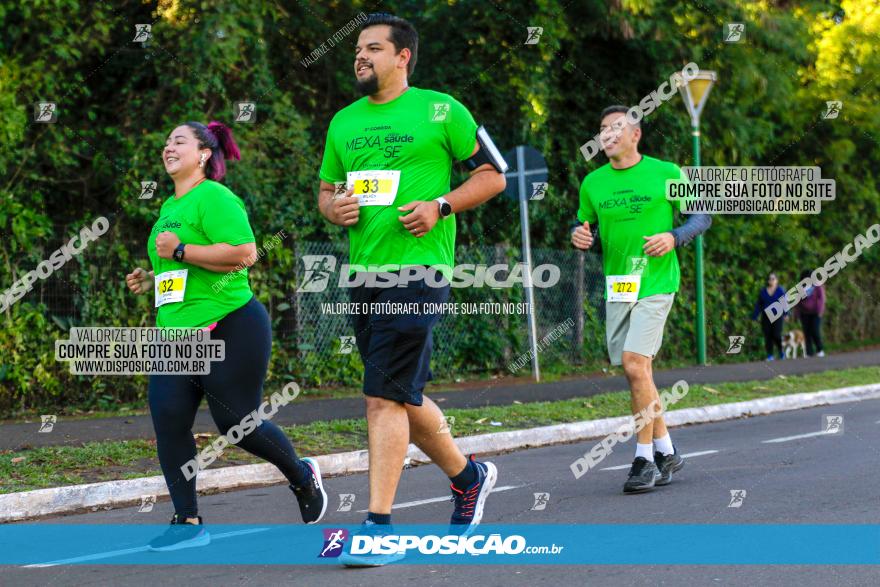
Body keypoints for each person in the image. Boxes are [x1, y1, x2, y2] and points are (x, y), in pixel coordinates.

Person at [317, 13, 506, 566]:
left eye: (373, 48)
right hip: (365, 274)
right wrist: (336, 208)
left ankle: (377, 529)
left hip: (419, 272)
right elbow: (326, 193)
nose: (360, 56)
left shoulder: (441, 109)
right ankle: (469, 477)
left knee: (380, 397)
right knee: (398, 391)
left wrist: (440, 205)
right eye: (357, 48)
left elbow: (493, 175)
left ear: (403, 57)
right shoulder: (344, 122)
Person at [126, 121, 326, 552]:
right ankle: (188, 522)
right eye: (166, 141)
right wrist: (152, 276)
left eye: (178, 141)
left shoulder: (214, 197)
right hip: (177, 337)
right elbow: (183, 270)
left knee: (237, 423)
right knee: (169, 421)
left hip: (232, 324)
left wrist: (180, 251)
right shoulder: (168, 206)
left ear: (202, 154)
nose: (168, 146)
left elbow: (243, 254)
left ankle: (302, 476)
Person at [571, 105, 711, 494]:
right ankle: (668, 452)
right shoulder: (593, 183)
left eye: (616, 128)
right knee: (639, 372)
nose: (608, 134)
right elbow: (584, 226)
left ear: (636, 135)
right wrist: (580, 236)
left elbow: (701, 216)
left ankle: (643, 459)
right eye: (602, 129)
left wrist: (674, 236)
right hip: (619, 285)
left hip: (656, 283)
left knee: (635, 365)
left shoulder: (666, 171)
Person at [751, 272, 787, 361]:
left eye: (773, 279)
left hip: (777, 316)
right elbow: (759, 304)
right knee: (768, 336)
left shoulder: (780, 290)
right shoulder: (763, 291)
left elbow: (784, 303)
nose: (771, 281)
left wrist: (786, 314)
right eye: (770, 279)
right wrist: (754, 316)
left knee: (776, 335)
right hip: (766, 316)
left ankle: (781, 351)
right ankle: (770, 355)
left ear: (777, 280)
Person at [796, 268, 825, 357]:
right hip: (804, 314)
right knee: (807, 333)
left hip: (816, 313)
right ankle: (809, 352)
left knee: (815, 331)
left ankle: (820, 349)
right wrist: (797, 314)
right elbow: (797, 302)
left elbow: (822, 299)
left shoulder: (818, 286)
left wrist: (820, 311)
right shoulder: (801, 288)